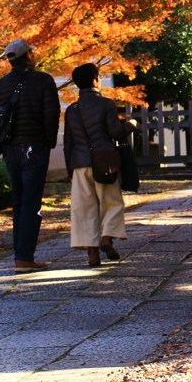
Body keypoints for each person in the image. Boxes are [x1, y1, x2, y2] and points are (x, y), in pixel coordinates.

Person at [0, 38, 60, 273]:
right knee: (31, 202)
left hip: (10, 151)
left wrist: (4, 142)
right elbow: (51, 114)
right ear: (28, 56)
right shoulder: (43, 81)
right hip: (34, 148)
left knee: (18, 202)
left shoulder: (0, 86)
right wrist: (48, 142)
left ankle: (20, 256)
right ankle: (25, 257)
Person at [63, 62, 136, 267]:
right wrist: (130, 125)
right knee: (111, 202)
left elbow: (68, 142)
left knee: (84, 209)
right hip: (104, 162)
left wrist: (70, 169)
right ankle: (106, 238)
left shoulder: (71, 110)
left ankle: (92, 255)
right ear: (95, 80)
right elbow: (114, 132)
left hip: (79, 164)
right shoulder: (106, 104)